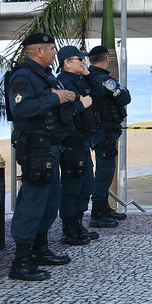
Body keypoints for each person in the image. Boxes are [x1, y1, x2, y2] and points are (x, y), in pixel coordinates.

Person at [5, 33, 75, 281]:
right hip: (36, 148)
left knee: (49, 202)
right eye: (52, 49)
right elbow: (20, 107)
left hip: (51, 147)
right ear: (39, 51)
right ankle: (20, 262)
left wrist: (64, 97)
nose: (56, 53)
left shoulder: (45, 75)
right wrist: (56, 97)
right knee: (32, 203)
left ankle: (39, 249)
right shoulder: (23, 75)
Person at [56, 46, 101, 245]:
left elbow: (98, 94)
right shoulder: (62, 82)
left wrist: (88, 74)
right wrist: (81, 105)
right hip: (71, 141)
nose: (83, 62)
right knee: (72, 186)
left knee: (86, 185)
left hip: (83, 140)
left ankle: (78, 224)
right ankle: (69, 228)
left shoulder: (79, 80)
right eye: (79, 59)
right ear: (67, 62)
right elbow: (61, 112)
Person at [87, 45, 131, 226]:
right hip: (104, 131)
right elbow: (124, 98)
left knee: (104, 171)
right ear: (106, 60)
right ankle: (98, 212)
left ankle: (104, 208)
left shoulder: (88, 79)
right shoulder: (104, 80)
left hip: (99, 130)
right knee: (104, 173)